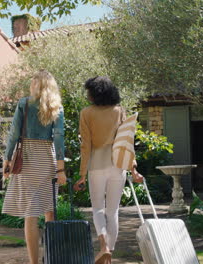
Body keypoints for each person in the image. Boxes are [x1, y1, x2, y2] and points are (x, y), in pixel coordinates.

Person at [74, 76, 143, 264]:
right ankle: (109, 254)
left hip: (96, 164)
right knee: (112, 212)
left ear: (95, 93)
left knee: (97, 208)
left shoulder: (86, 113)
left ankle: (103, 246)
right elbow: (127, 141)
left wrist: (82, 174)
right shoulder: (119, 111)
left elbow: (85, 145)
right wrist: (133, 168)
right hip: (118, 165)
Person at [2, 70, 66, 264]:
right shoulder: (57, 107)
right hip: (47, 160)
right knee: (49, 210)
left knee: (31, 214)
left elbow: (13, 133)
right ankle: (51, 259)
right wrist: (61, 169)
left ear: (35, 85)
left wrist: (7, 160)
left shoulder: (24, 104)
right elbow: (59, 138)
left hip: (28, 160)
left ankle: (34, 262)